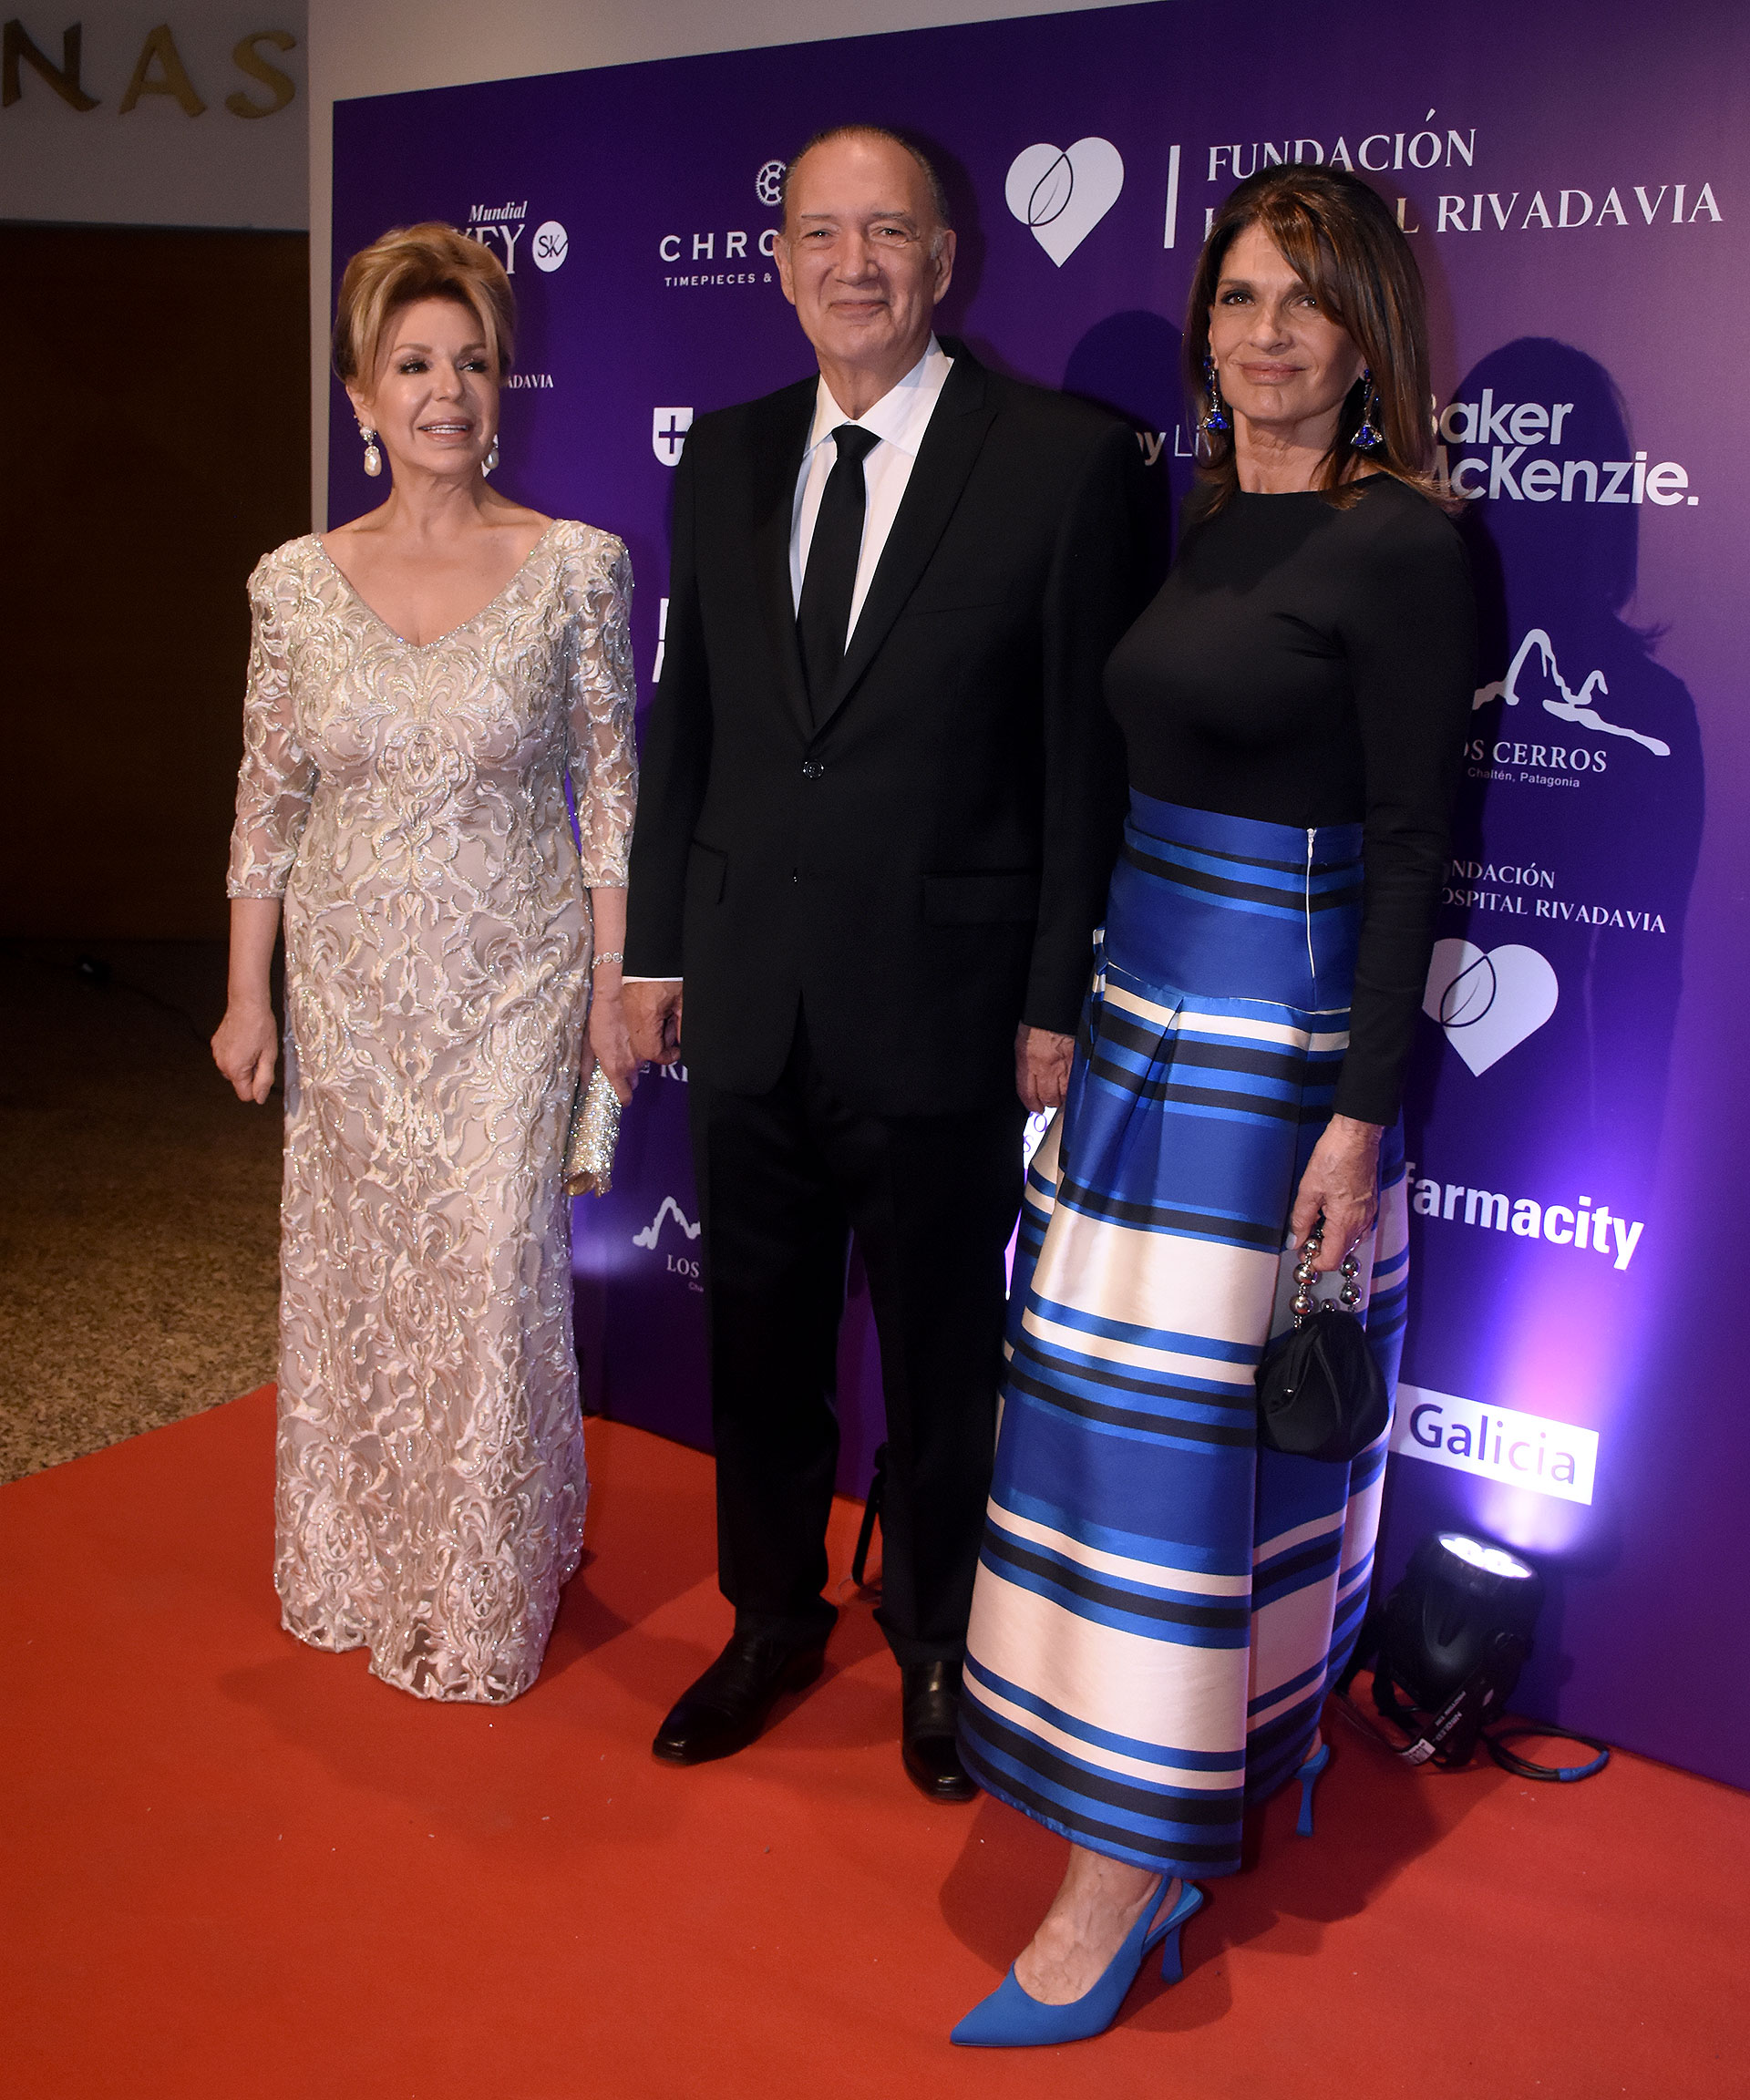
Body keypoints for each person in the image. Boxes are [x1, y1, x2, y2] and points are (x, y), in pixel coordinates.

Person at [952, 164, 1477, 2045]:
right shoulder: (1199, 517)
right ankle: (1218, 1763)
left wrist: (1359, 1116)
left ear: (1369, 338)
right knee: (1111, 1440)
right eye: (1239, 297)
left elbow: (1419, 844)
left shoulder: (1404, 542)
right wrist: (1073, 1014)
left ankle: (1125, 1871)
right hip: (1136, 1030)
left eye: (1304, 302)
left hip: (1274, 1064)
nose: (1265, 336)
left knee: (1191, 1465)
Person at [623, 126, 1144, 1799]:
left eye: (889, 235)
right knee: (757, 1343)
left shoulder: (1064, 464)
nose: (855, 266)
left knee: (939, 1355)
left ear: (945, 259)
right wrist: (649, 954)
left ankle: (936, 1643)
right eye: (822, 234)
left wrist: (1055, 996)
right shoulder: (725, 451)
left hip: (948, 1005)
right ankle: (768, 1618)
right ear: (780, 261)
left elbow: (1084, 768)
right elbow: (683, 721)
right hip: (748, 988)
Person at [211, 222, 637, 1704]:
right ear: (359, 397)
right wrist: (245, 989)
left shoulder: (577, 569)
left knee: (481, 1275)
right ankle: (354, 1554)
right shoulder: (290, 585)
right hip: (349, 996)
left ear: (503, 384)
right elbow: (267, 805)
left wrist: (612, 990)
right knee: (361, 1285)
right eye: (412, 363)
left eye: (470, 361)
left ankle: (475, 1589)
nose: (445, 389)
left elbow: (614, 813)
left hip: (513, 997)